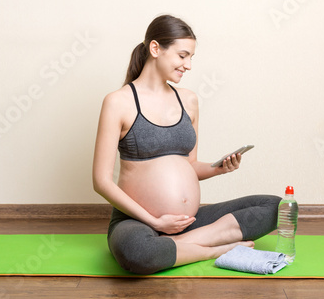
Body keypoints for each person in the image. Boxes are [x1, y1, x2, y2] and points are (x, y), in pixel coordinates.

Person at [92, 14, 281, 275]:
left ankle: (178, 245)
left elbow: (190, 165)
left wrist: (219, 168)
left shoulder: (188, 101)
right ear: (155, 49)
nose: (188, 65)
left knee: (276, 206)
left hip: (189, 221)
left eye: (191, 57)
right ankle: (216, 247)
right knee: (137, 253)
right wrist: (156, 221)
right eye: (183, 56)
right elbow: (101, 181)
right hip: (138, 221)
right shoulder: (118, 102)